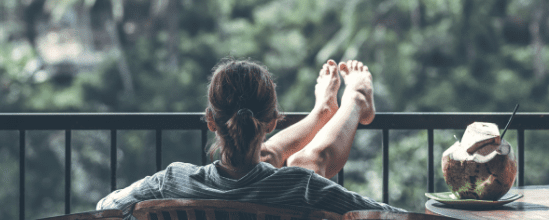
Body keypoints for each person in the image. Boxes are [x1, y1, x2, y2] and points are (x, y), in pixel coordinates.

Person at [97, 58, 406, 219]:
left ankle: (324, 111)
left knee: (283, 163)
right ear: (272, 122)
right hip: (284, 186)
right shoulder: (304, 188)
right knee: (306, 163)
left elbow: (107, 207)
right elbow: (389, 217)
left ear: (210, 121)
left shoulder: (171, 182)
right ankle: (352, 100)